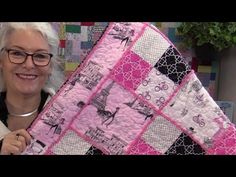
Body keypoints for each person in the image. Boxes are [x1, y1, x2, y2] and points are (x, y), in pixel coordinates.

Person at [0, 23, 65, 155]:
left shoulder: (68, 120)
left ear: (50, 66)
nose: (29, 65)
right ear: (1, 61)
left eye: (40, 56)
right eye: (17, 53)